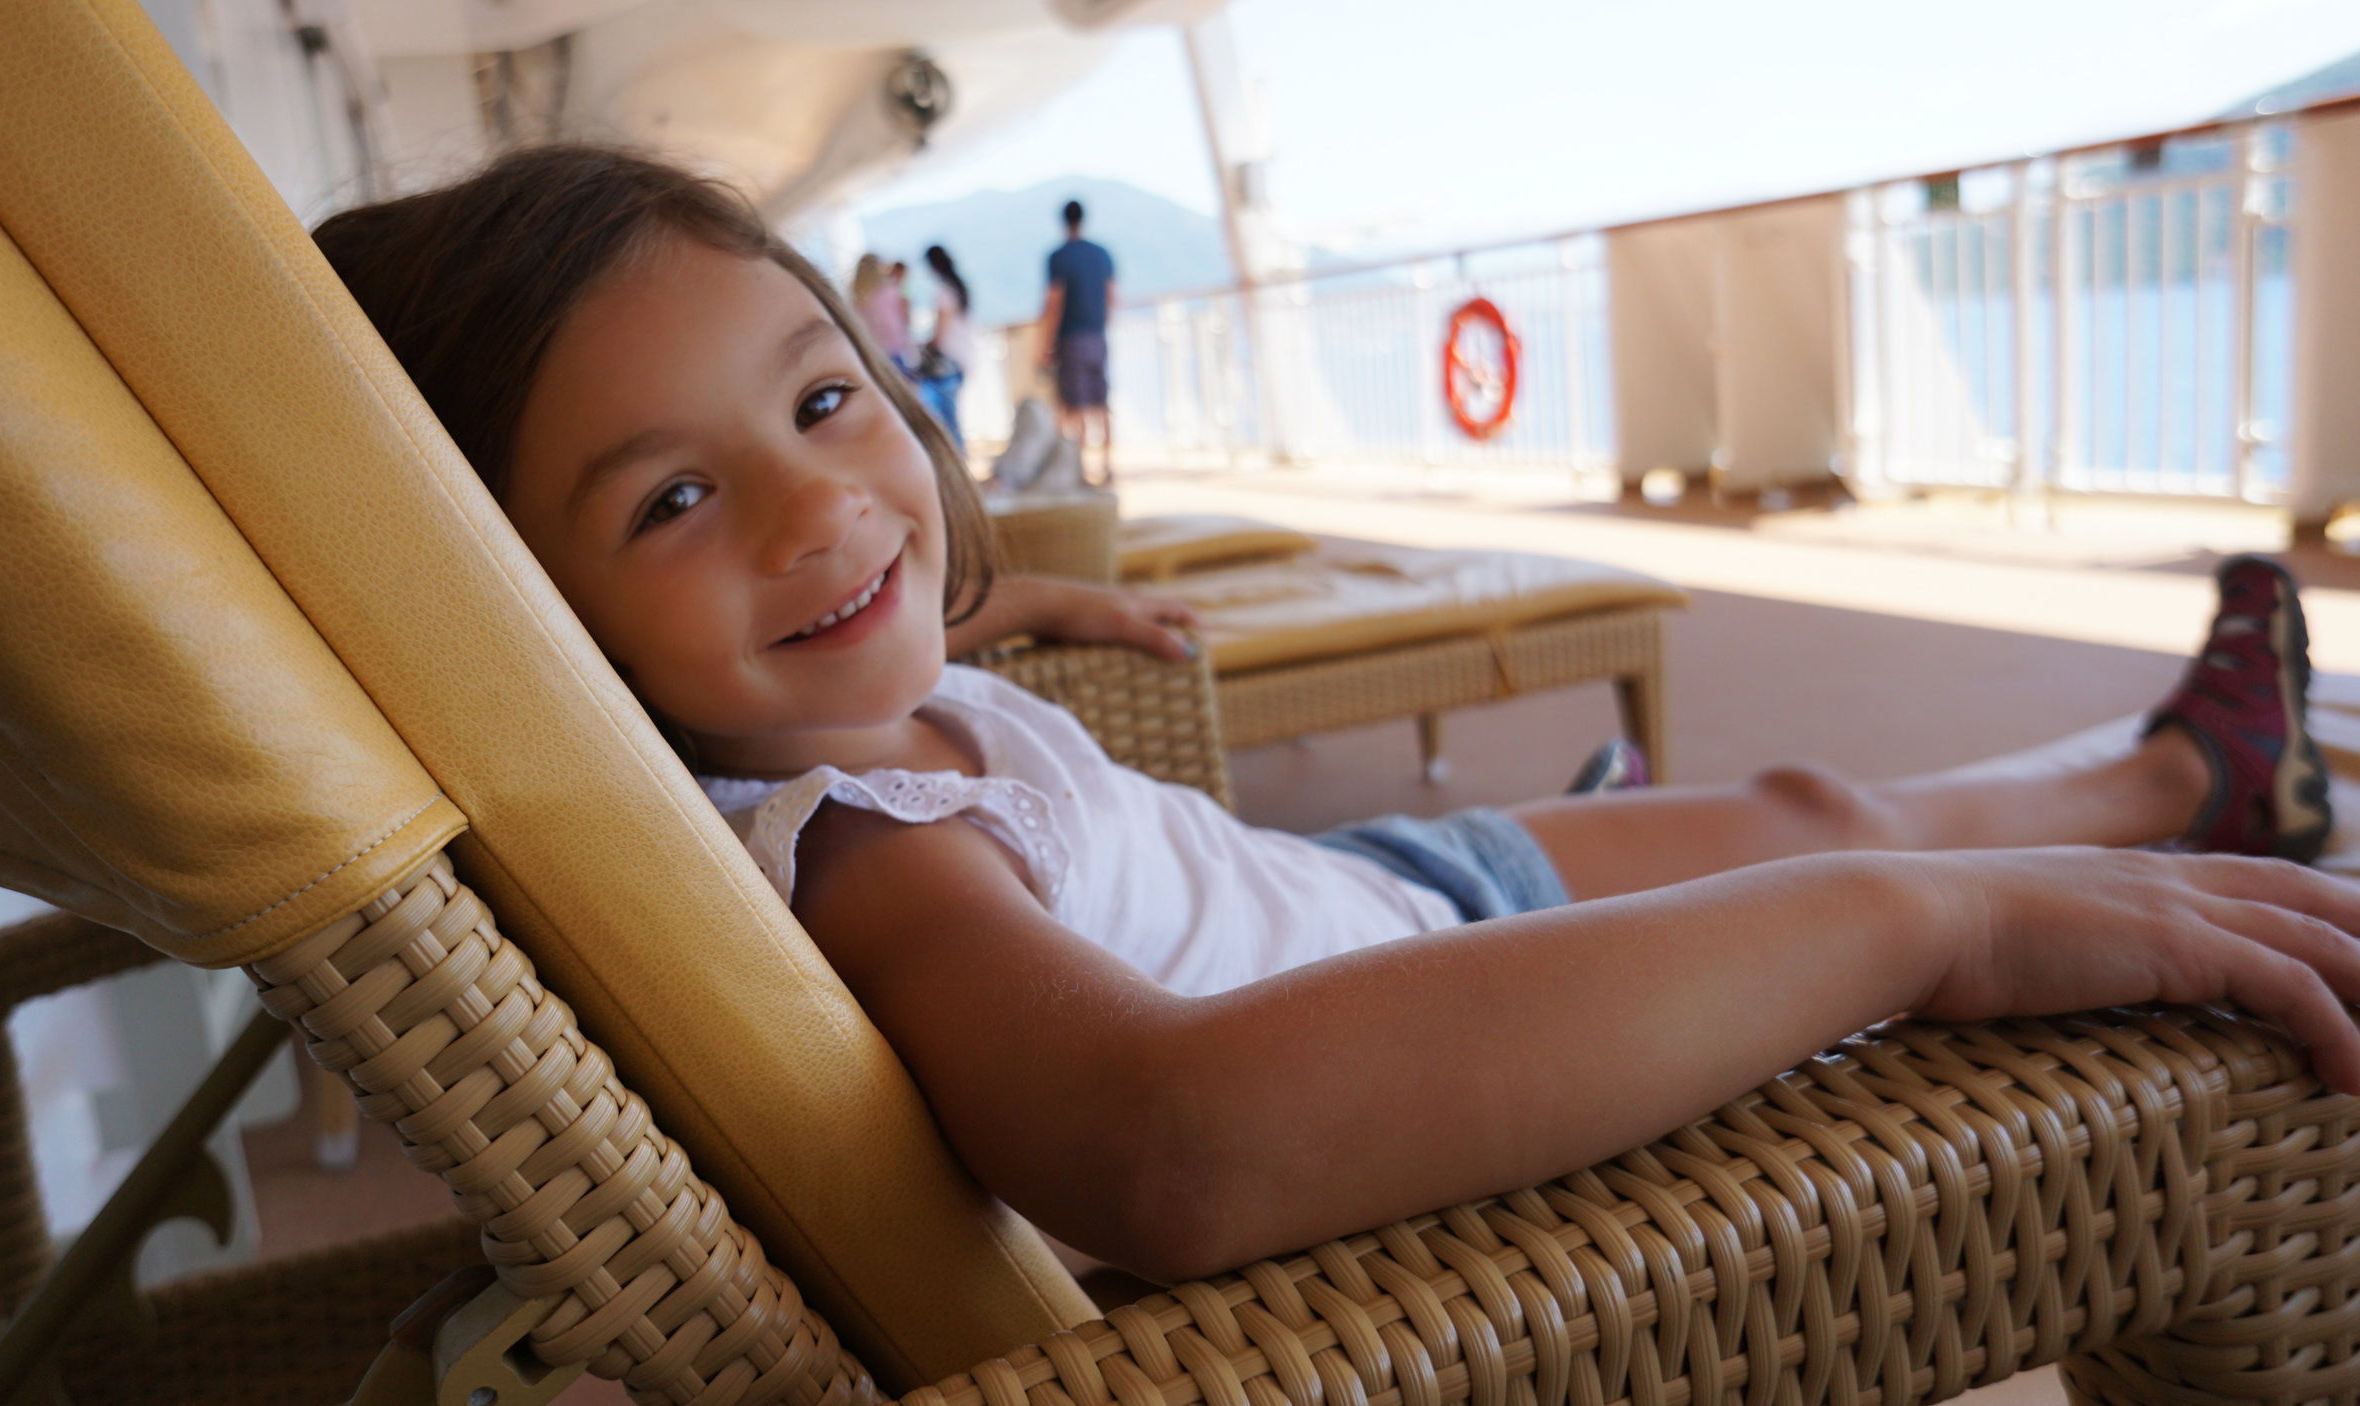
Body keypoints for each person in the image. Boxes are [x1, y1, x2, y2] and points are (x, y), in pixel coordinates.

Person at [314, 146, 2359, 1286]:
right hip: (1429, 979)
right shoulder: (870, 869)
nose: (817, 500)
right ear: (529, 619)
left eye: (822, 396)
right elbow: (1172, 1145)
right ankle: (2135, 812)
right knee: (1857, 866)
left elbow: (888, 598)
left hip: (1360, 880)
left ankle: (2193, 771)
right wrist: (1927, 930)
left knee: (1818, 783)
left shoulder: (841, 704)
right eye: (670, 498)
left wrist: (1030, 592)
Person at [1037, 199, 1115, 483]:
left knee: (1074, 404)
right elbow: (1111, 297)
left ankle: (1079, 470)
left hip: (1071, 338)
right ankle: (1108, 465)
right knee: (1102, 402)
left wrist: (1045, 346)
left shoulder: (1058, 257)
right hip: (1097, 336)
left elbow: (1053, 303)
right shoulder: (1102, 254)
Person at [918, 244, 974, 446]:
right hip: (963, 357)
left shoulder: (944, 293)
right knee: (952, 418)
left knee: (945, 421)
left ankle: (956, 466)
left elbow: (939, 335)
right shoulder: (960, 288)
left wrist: (925, 344)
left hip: (946, 362)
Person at [849, 252, 914, 371]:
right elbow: (898, 323)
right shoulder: (890, 292)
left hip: (868, 354)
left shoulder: (856, 298)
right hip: (893, 350)